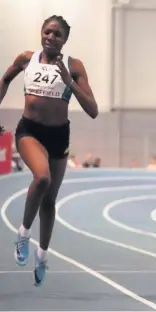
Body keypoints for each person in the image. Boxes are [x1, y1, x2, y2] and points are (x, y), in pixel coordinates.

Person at [0, 15, 98, 286]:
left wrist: (70, 82)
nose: (51, 37)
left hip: (58, 136)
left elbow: (93, 110)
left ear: (65, 39)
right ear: (41, 34)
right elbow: (5, 79)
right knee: (41, 177)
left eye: (57, 34)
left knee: (49, 202)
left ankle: (42, 255)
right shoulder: (26, 59)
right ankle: (23, 234)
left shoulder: (73, 66)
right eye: (47, 32)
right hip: (29, 131)